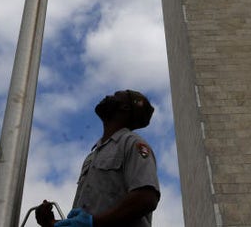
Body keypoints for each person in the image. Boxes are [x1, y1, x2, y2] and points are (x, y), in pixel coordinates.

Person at [36, 90, 160, 227]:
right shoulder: (92, 156)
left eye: (115, 96)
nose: (108, 96)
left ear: (125, 107)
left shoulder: (132, 143)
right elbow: (85, 219)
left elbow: (146, 197)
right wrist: (51, 223)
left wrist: (94, 223)